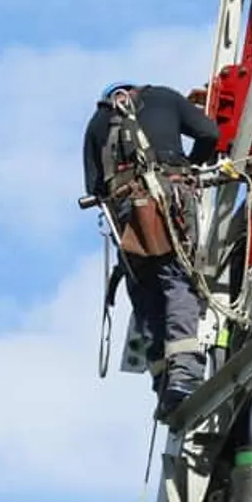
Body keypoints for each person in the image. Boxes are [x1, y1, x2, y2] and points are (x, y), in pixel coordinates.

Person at [82, 83, 219, 419]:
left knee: (146, 296)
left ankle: (163, 385)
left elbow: (95, 187)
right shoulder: (163, 97)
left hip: (127, 215)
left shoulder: (97, 124)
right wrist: (190, 165)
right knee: (179, 280)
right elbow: (209, 134)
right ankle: (184, 374)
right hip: (169, 199)